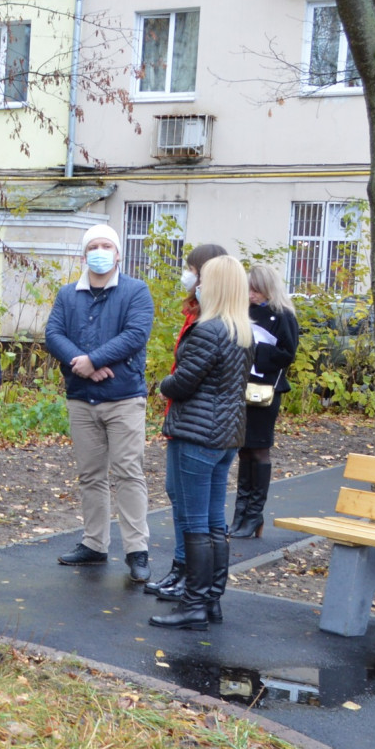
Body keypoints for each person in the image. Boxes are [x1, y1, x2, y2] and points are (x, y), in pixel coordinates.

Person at [44, 223, 155, 583]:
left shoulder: (136, 291)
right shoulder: (67, 294)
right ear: (84, 254)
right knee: (90, 475)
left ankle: (137, 550)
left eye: (108, 245)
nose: (101, 251)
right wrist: (84, 365)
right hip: (82, 398)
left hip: (124, 398)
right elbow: (53, 334)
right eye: (94, 245)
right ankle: (94, 545)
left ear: (119, 253)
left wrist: (93, 360)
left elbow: (135, 335)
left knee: (128, 473)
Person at [150, 255, 252, 630]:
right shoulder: (241, 330)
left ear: (217, 287)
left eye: (204, 280)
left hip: (195, 433)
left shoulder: (208, 330)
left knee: (194, 521)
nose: (198, 285)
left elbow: (183, 382)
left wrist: (162, 384)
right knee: (213, 521)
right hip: (225, 436)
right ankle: (210, 601)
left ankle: (192, 605)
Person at [144, 243, 230, 599]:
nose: (188, 276)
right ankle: (193, 581)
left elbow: (186, 376)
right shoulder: (198, 314)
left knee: (197, 511)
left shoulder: (211, 323)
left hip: (198, 424)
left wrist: (165, 386)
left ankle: (194, 587)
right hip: (194, 421)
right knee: (184, 499)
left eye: (192, 270)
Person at [230, 263, 299, 539]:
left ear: (268, 289)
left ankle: (254, 514)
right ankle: (240, 513)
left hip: (265, 390)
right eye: (248, 288)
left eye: (256, 289)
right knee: (242, 449)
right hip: (240, 387)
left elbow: (287, 354)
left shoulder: (283, 315)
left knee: (258, 449)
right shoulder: (242, 311)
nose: (250, 294)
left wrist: (256, 350)